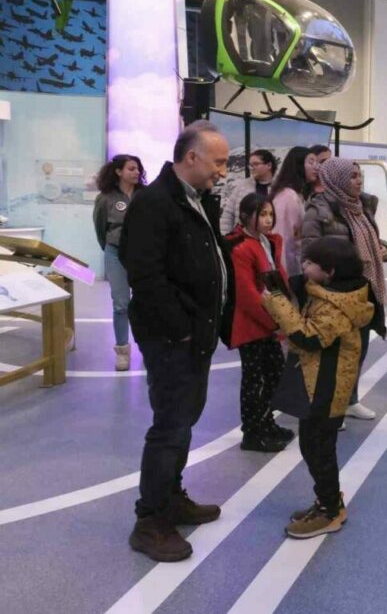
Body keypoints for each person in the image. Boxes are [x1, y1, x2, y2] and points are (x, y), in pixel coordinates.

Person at [119, 120, 229, 562]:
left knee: (184, 420)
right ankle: (150, 522)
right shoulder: (154, 203)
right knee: (170, 426)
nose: (222, 170)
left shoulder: (197, 199)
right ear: (191, 157)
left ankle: (171, 497)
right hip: (173, 338)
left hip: (194, 335)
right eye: (218, 162)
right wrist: (181, 328)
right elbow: (145, 275)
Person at [262, 238, 377, 538]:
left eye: (310, 263)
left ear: (330, 271)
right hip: (321, 381)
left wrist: (276, 301)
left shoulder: (336, 306)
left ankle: (329, 511)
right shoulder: (328, 293)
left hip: (328, 387)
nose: (303, 266)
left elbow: (308, 337)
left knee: (318, 448)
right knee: (312, 444)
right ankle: (328, 500)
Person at [301, 157, 387, 420]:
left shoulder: (363, 206)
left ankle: (350, 400)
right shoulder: (319, 210)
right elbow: (310, 252)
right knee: (333, 355)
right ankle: (330, 408)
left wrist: (385, 249)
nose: (359, 180)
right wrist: (344, 262)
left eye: (359, 175)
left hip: (363, 290)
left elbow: (373, 240)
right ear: (337, 178)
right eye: (352, 176)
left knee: (357, 350)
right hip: (335, 293)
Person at [223, 194, 293, 453]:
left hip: (269, 323)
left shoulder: (268, 241)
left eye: (270, 214)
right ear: (245, 216)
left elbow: (278, 278)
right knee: (255, 381)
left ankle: (266, 423)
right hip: (251, 326)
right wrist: (274, 322)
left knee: (274, 375)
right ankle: (252, 432)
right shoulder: (241, 247)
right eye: (262, 214)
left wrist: (286, 312)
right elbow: (247, 295)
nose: (268, 219)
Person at [93, 154, 146, 371]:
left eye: (138, 169)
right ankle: (122, 351)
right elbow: (100, 229)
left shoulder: (146, 195)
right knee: (121, 304)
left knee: (146, 302)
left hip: (143, 256)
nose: (136, 172)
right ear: (118, 171)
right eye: (131, 169)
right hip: (115, 254)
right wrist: (111, 247)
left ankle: (147, 347)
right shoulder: (105, 198)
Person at [270, 146, 317, 277]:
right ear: (298, 165)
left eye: (317, 163)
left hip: (296, 263)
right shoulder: (288, 196)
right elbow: (282, 238)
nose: (316, 167)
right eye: (311, 162)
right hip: (289, 269)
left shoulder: (298, 195)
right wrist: (285, 275)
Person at [219, 149, 277, 234]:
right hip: (242, 238)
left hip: (270, 238)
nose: (251, 168)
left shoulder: (279, 189)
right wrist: (224, 236)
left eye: (256, 164)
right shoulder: (242, 186)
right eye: (250, 165)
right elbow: (228, 214)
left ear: (269, 165)